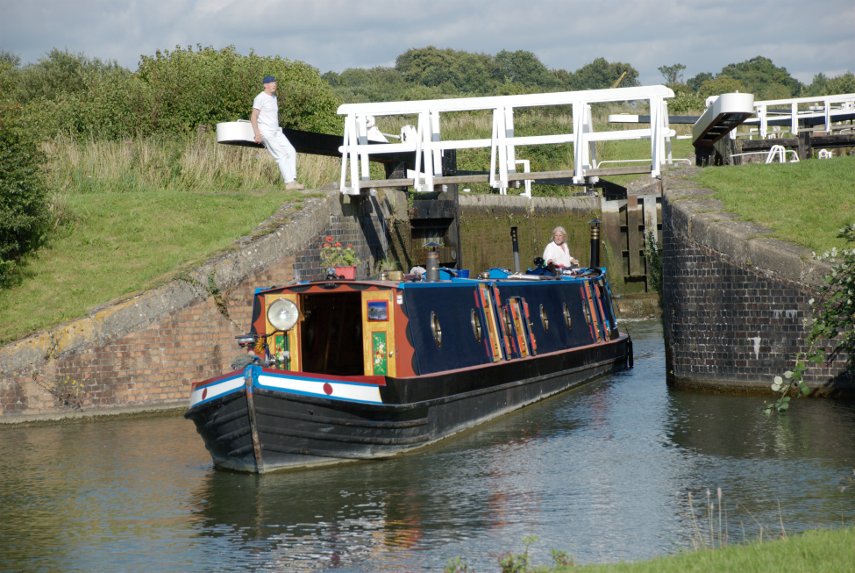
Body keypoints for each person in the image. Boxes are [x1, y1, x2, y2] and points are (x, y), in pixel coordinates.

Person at [251, 75, 304, 190]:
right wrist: (257, 134)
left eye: (275, 82)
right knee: (281, 155)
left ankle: (293, 181)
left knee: (291, 151)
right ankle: (289, 183)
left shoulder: (274, 97)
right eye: (271, 83)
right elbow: (253, 117)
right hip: (266, 132)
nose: (274, 84)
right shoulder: (260, 98)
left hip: (276, 131)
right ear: (265, 85)